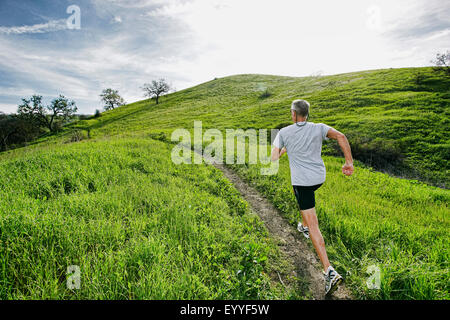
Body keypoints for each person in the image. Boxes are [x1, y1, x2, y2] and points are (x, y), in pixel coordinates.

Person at [271, 99, 354, 296]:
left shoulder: (284, 132)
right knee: (299, 195)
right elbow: (341, 136)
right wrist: (348, 163)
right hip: (319, 178)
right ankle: (304, 225)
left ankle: (329, 271)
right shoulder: (319, 127)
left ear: (293, 114)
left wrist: (282, 149)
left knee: (313, 221)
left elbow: (274, 157)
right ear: (306, 114)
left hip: (303, 183)